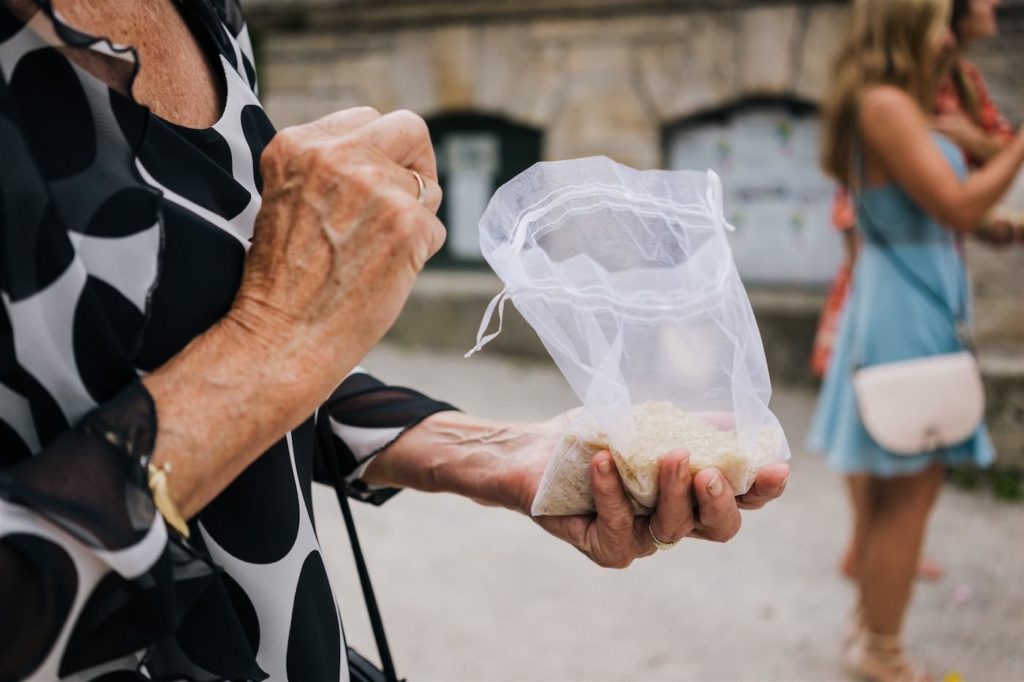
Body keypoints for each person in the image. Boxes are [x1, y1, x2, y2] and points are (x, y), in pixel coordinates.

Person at [0, 1, 790, 680]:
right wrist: (277, 336)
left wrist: (486, 450)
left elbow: (179, 354)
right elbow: (259, 350)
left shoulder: (208, 15)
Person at [810, 0, 1024, 679]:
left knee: (890, 491)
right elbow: (955, 206)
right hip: (906, 312)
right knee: (908, 492)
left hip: (901, 299)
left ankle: (869, 630)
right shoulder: (886, 106)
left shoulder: (894, 104)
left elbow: (937, 211)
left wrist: (999, 227)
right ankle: (883, 652)